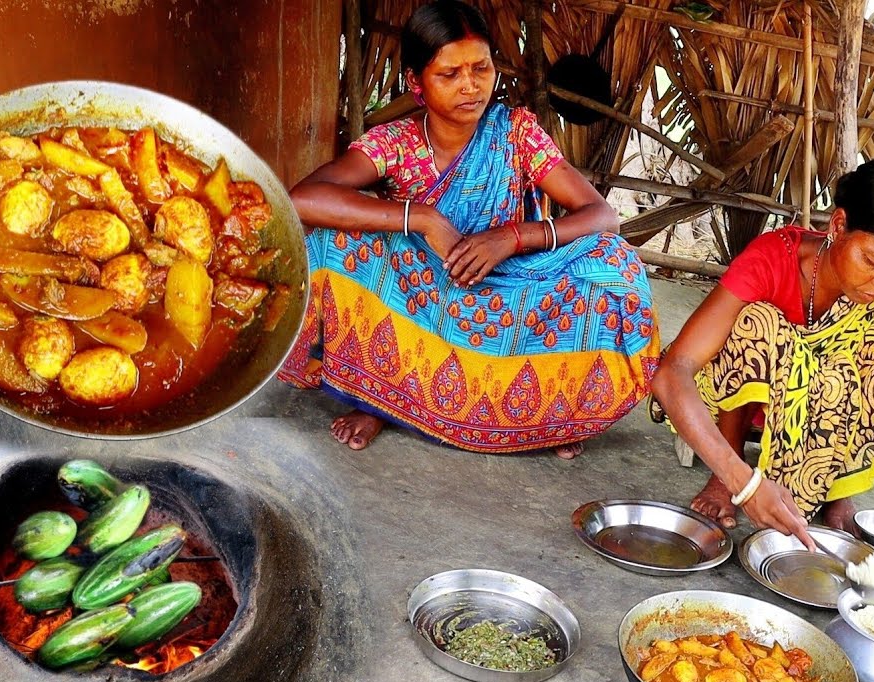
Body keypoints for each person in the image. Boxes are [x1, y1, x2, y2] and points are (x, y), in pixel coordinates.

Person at [279, 0, 659, 458]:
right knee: (331, 244)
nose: (470, 85)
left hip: (510, 297)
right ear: (416, 83)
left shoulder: (516, 133)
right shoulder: (396, 144)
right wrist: (421, 217)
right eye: (450, 74)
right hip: (426, 298)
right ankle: (379, 398)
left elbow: (601, 216)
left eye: (481, 68)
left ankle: (555, 417)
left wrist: (513, 237)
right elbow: (303, 199)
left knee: (616, 264)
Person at [649, 158, 874, 549]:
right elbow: (673, 373)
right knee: (756, 322)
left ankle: (838, 488)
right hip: (751, 399)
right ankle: (726, 471)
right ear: (838, 226)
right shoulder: (773, 260)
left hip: (831, 419)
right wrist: (745, 482)